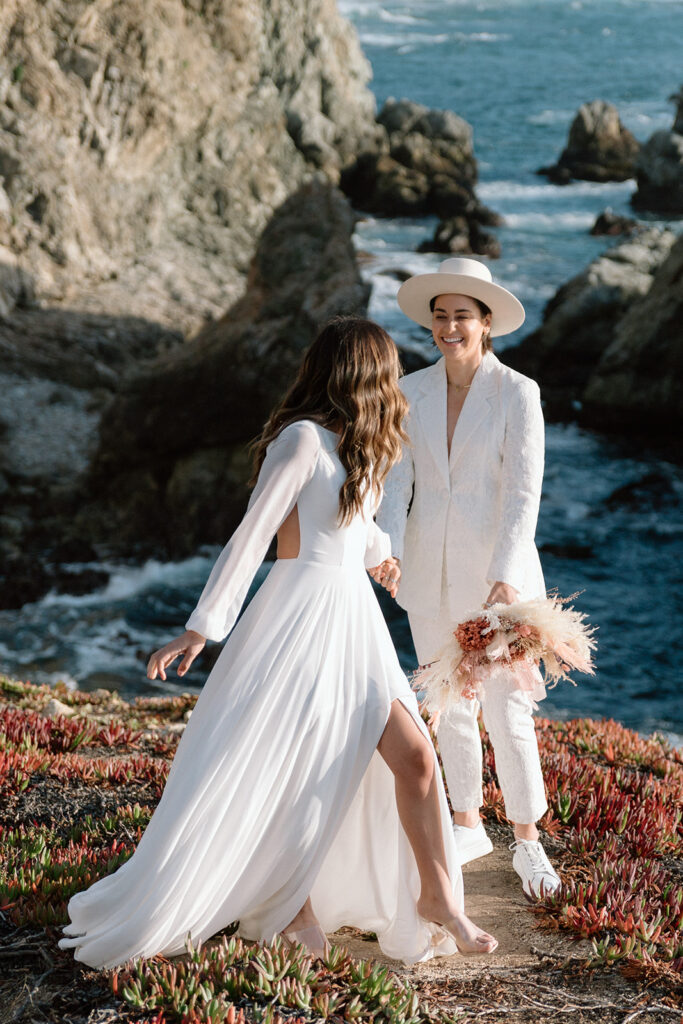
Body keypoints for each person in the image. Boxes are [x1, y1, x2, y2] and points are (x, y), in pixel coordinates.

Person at [58, 315, 498, 970]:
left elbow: (355, 530)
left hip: (354, 619)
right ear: (364, 376)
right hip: (298, 616)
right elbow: (250, 536)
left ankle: (438, 898)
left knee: (415, 759)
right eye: (388, 372)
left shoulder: (362, 447)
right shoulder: (299, 440)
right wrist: (202, 626)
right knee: (291, 768)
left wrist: (380, 556)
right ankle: (290, 909)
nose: (397, 386)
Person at [374, 258, 561, 898]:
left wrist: (507, 575)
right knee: (447, 705)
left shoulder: (518, 393)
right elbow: (397, 481)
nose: (450, 326)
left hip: (498, 584)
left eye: (463, 316)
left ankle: (528, 840)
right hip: (425, 575)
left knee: (509, 709)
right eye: (441, 315)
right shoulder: (410, 390)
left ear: (486, 324)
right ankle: (465, 822)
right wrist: (389, 548)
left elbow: (522, 491)